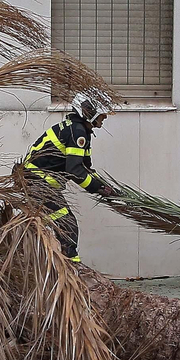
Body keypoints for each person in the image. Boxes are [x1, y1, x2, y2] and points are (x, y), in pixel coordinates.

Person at [22, 90, 111, 262]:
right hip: (37, 182)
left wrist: (104, 187)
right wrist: (98, 188)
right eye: (102, 115)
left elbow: (85, 168)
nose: (104, 119)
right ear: (89, 112)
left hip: (36, 181)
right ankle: (72, 271)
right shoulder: (77, 132)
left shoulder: (79, 130)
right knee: (67, 226)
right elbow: (75, 171)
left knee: (59, 225)